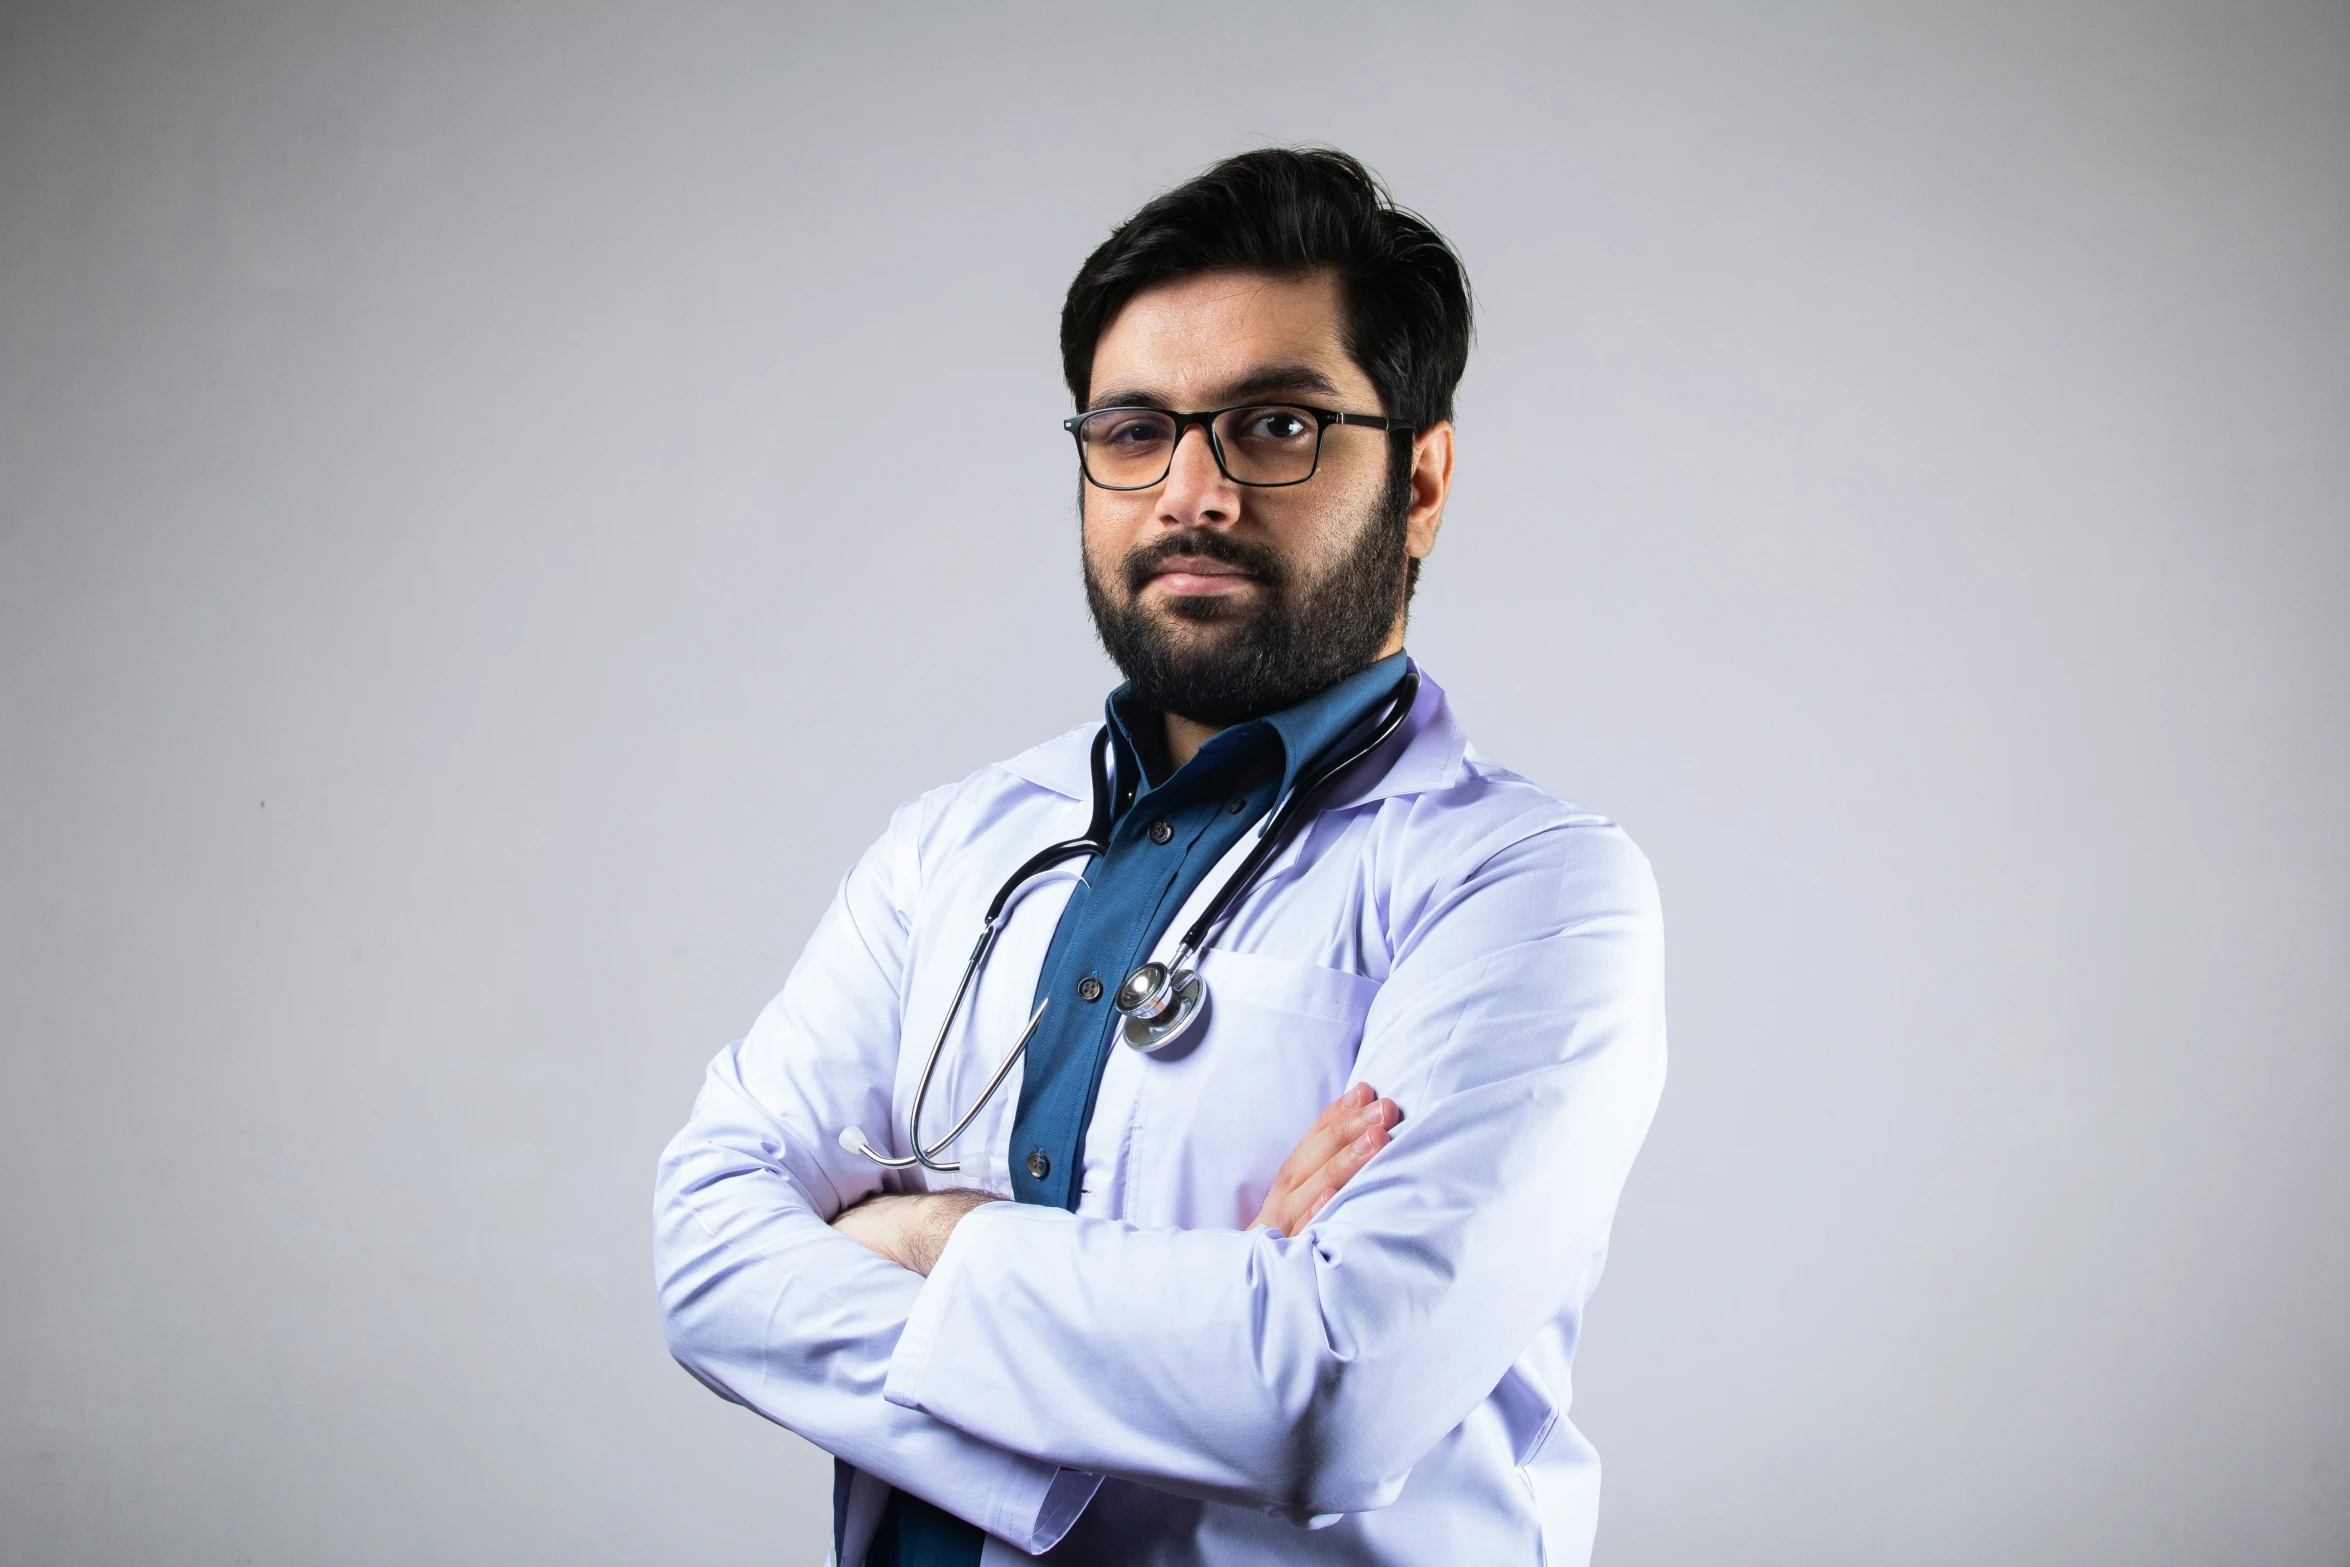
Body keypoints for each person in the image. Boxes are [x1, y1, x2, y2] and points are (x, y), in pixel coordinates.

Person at [654, 147, 1667, 1566]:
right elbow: (705, 1260)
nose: (1191, 490)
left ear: (1420, 479)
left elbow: (1330, 1397)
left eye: (1274, 424)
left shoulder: (1529, 890)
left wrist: (921, 1236)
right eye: (1134, 428)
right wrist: (1215, 1309)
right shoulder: (949, 845)